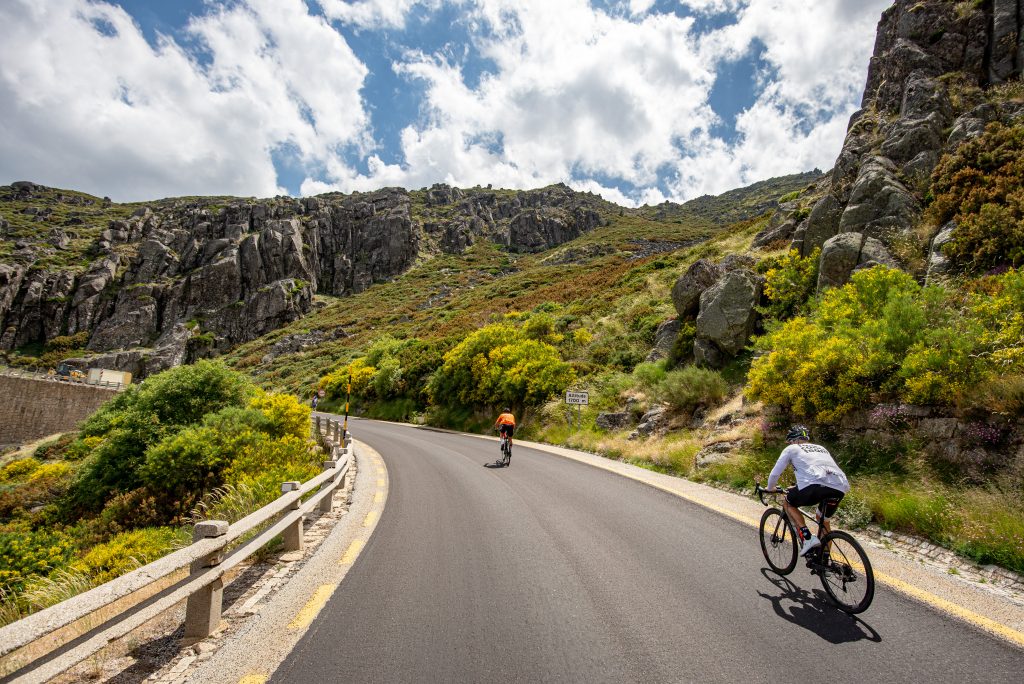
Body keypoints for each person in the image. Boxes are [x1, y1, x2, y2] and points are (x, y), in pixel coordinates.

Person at [766, 425, 849, 556]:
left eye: (790, 441)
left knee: (788, 503)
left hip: (815, 486)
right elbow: (818, 470)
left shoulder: (792, 449)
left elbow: (775, 474)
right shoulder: (821, 448)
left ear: (794, 440)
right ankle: (824, 560)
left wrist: (770, 488)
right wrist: (798, 486)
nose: (789, 443)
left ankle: (808, 539)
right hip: (840, 486)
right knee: (823, 519)